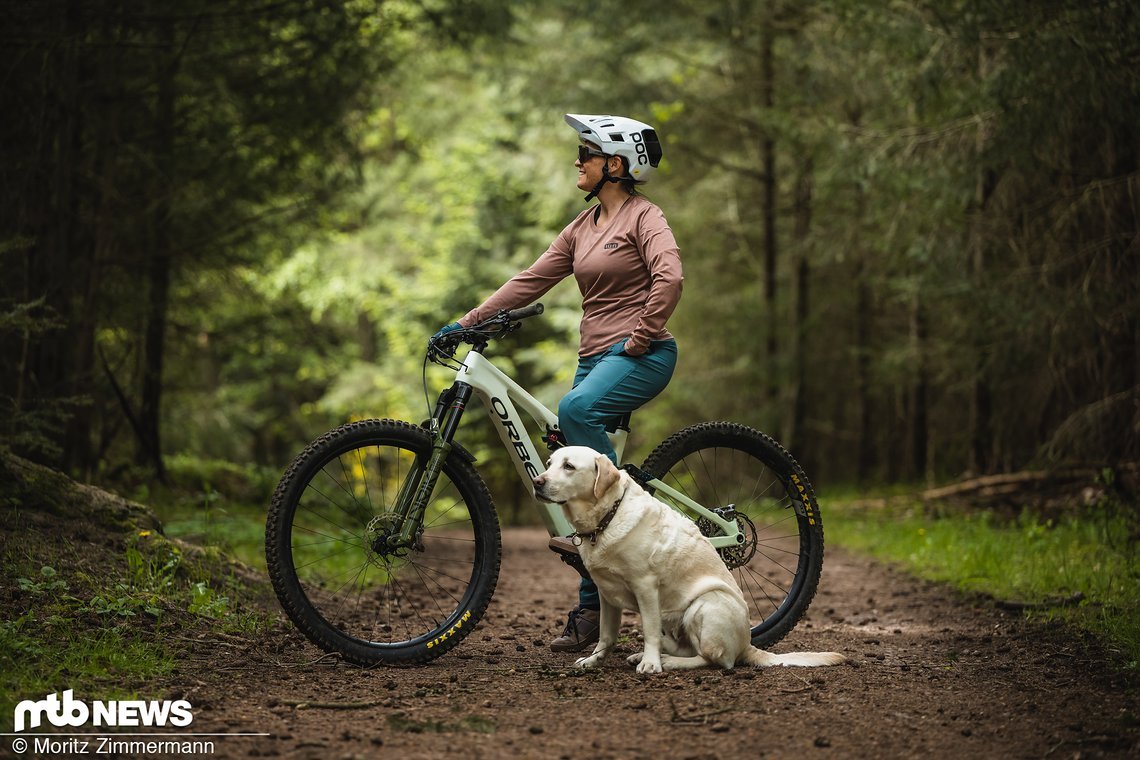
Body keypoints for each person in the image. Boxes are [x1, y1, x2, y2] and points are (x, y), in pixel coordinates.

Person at [432, 113, 683, 652]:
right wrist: (465, 322)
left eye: (586, 153)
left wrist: (641, 336)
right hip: (594, 358)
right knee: (568, 457)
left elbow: (671, 276)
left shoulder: (645, 217)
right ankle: (593, 616)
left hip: (643, 354)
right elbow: (530, 279)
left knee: (574, 412)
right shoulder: (583, 226)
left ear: (616, 165)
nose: (578, 161)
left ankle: (611, 522)